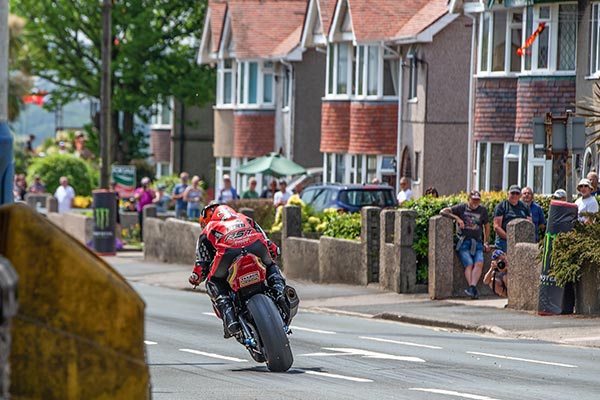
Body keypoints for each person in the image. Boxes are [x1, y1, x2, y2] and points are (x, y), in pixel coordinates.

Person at [188, 203, 286, 337]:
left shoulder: (208, 229)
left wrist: (195, 278)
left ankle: (230, 320)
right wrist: (273, 252)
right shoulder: (244, 218)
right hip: (256, 246)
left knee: (213, 282)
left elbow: (202, 264)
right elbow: (268, 242)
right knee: (270, 265)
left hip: (227, 254)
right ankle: (281, 293)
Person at [440, 190, 490, 299]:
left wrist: (486, 241)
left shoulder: (483, 210)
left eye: (478, 200)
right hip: (464, 241)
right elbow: (443, 211)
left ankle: (472, 287)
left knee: (479, 263)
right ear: (468, 199)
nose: (475, 202)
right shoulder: (461, 208)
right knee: (469, 263)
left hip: (477, 241)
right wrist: (457, 218)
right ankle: (472, 289)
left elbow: (486, 226)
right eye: (473, 200)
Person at [493, 185, 532, 253]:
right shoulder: (501, 206)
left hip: (521, 240)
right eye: (512, 193)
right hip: (504, 240)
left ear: (520, 195)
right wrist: (510, 238)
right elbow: (496, 227)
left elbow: (529, 224)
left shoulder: (525, 207)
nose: (515, 195)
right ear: (508, 194)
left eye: (517, 193)